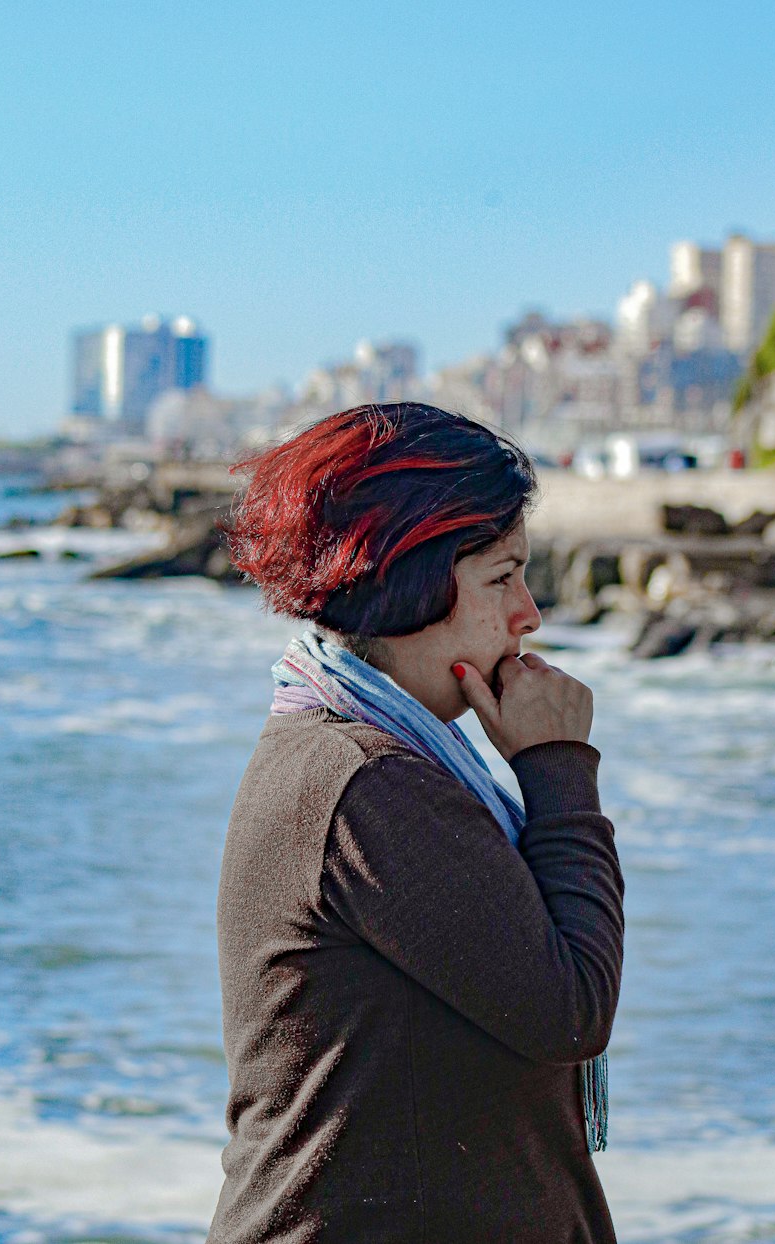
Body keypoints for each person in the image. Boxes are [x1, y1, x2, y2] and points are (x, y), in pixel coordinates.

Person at [207, 402, 624, 1244]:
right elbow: (569, 1011)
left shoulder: (352, 752)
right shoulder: (369, 781)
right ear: (414, 575)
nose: (529, 614)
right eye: (503, 575)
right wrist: (557, 768)